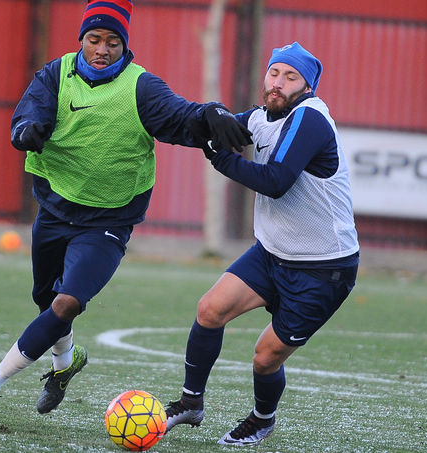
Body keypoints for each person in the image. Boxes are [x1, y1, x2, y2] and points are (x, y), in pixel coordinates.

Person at [0, 0, 251, 427]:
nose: (102, 49)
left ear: (124, 46)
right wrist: (25, 131)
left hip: (108, 221)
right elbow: (28, 116)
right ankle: (65, 365)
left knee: (66, 303)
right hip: (55, 209)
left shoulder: (140, 87)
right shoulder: (55, 75)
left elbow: (181, 115)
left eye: (113, 42)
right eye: (94, 39)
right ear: (81, 40)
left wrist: (211, 113)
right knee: (48, 304)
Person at [164, 42, 360, 446]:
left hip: (323, 266)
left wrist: (222, 159)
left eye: (290, 77)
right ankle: (190, 402)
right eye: (274, 73)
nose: (278, 83)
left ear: (307, 86)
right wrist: (211, 112)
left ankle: (262, 419)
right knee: (210, 309)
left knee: (265, 356)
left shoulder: (310, 118)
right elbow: (207, 129)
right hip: (273, 253)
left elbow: (275, 182)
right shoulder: (260, 116)